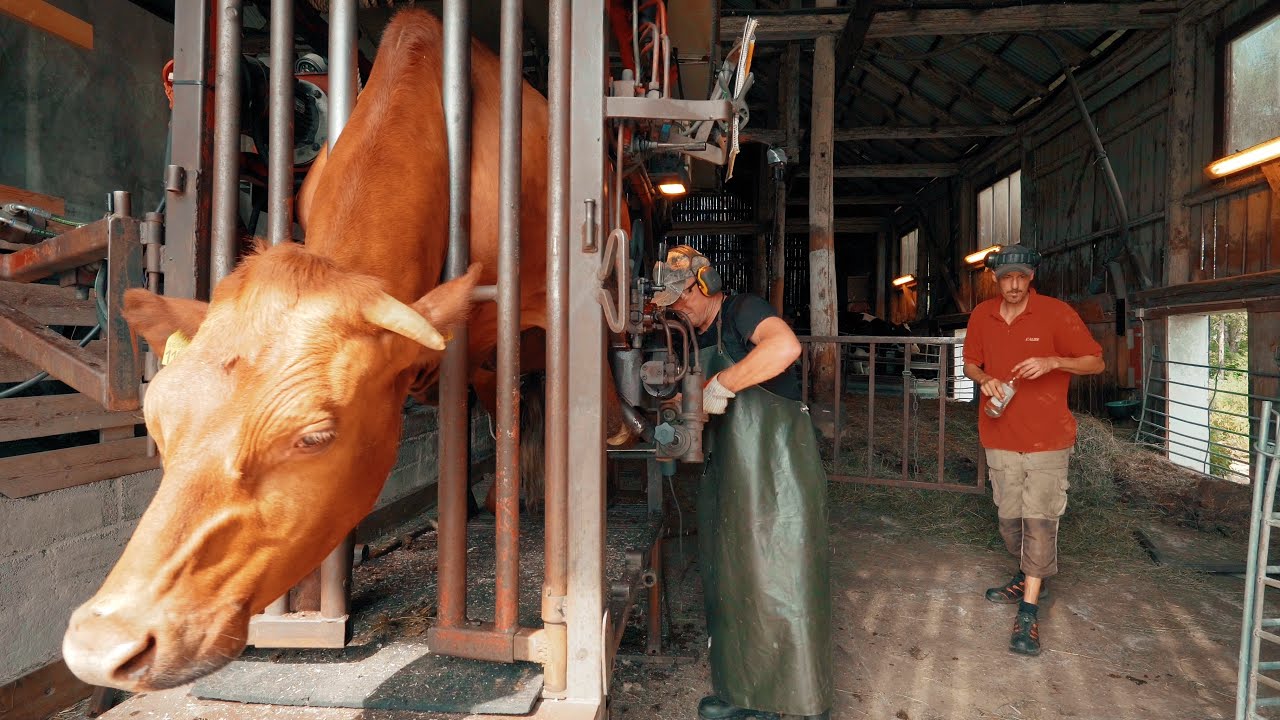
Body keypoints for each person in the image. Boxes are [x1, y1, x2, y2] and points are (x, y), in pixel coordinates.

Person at [651, 245, 831, 720]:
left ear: (706, 284)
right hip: (730, 473)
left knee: (780, 582)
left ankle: (796, 702)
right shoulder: (689, 336)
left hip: (777, 473)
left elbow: (785, 346)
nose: (679, 309)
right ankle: (744, 694)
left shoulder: (742, 310)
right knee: (733, 580)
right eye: (670, 304)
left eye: (683, 297)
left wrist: (723, 382)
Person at [962, 244, 1105, 657]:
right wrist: (983, 379)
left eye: (1021, 277)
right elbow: (971, 362)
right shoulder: (981, 315)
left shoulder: (1056, 313)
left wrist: (1053, 361)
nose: (1013, 284)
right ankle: (1026, 576)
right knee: (1010, 520)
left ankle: (1028, 611)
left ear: (1032, 277)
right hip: (999, 433)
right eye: (1006, 277)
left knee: (1039, 522)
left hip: (1047, 439)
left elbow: (1095, 362)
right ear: (994, 277)